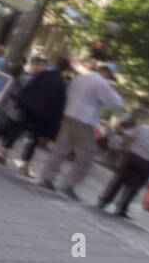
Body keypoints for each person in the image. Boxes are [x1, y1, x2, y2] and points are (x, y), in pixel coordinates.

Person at [39, 59, 124, 199]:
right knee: (86, 156)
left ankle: (47, 177)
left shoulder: (81, 77)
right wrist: (114, 92)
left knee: (60, 149)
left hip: (69, 114)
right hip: (85, 120)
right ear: (108, 72)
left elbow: (69, 92)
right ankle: (69, 184)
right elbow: (116, 104)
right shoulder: (102, 83)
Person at [98, 115, 149, 218]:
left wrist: (124, 148)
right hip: (147, 165)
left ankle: (105, 201)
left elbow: (127, 137)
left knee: (118, 180)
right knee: (134, 187)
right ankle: (122, 208)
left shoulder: (144, 128)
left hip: (132, 157)